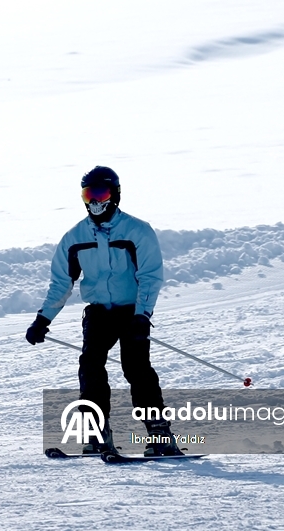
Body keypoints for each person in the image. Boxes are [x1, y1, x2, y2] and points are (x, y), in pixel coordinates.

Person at [26, 166, 182, 458]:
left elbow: (150, 275)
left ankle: (159, 433)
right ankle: (97, 433)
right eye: (89, 194)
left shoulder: (137, 231)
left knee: (136, 369)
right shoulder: (74, 238)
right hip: (99, 313)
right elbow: (62, 283)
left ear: (115, 195)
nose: (94, 200)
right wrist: (42, 319)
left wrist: (142, 314)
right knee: (90, 366)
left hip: (131, 312)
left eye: (101, 193)